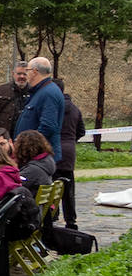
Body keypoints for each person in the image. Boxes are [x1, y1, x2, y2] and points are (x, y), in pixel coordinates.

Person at [13, 57, 64, 162]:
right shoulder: (40, 91)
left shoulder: (48, 93)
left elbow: (48, 126)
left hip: (38, 157)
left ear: (35, 72)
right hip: (33, 156)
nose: (26, 75)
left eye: (27, 71)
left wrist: (27, 147)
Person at [54, 80, 84, 229]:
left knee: (52, 186)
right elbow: (82, 131)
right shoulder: (75, 109)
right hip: (69, 152)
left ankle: (52, 216)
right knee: (68, 189)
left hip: (53, 151)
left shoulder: (52, 107)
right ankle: (71, 220)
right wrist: (71, 141)